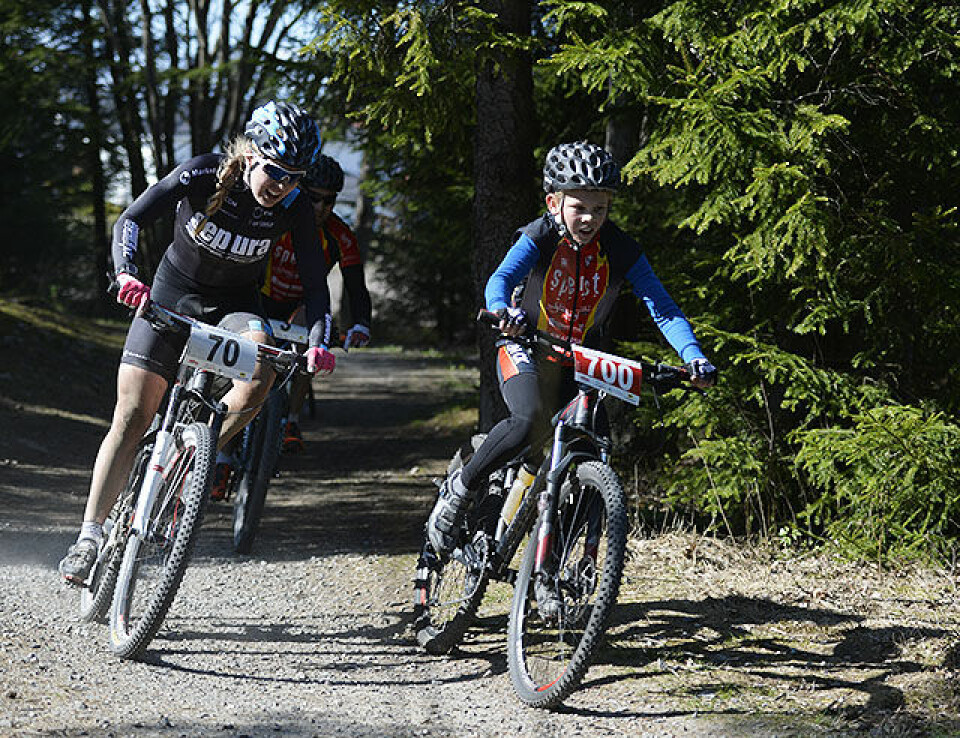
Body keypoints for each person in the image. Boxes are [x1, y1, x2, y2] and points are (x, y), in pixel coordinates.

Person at [58, 101, 337, 585]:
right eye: (275, 172)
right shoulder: (203, 174)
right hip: (170, 297)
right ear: (251, 155)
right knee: (131, 416)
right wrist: (126, 274)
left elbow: (316, 286)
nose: (282, 186)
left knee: (260, 376)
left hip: (233, 306)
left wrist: (317, 340)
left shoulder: (292, 208)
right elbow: (130, 220)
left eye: (294, 178)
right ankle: (88, 537)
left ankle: (193, 453)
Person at [426, 140, 718, 560]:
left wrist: (693, 356)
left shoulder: (620, 249)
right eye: (579, 207)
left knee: (590, 451)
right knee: (528, 421)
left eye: (600, 209)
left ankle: (551, 571)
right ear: (554, 202)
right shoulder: (539, 237)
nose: (590, 219)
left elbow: (664, 308)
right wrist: (500, 310)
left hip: (582, 361)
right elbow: (501, 278)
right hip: (526, 344)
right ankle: (461, 489)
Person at [261, 154, 373, 453]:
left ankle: (290, 421)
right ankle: (222, 453)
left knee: (308, 345)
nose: (321, 208)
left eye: (329, 201)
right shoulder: (275, 217)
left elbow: (356, 286)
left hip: (301, 304)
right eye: (314, 198)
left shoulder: (340, 235)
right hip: (259, 297)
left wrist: (361, 323)